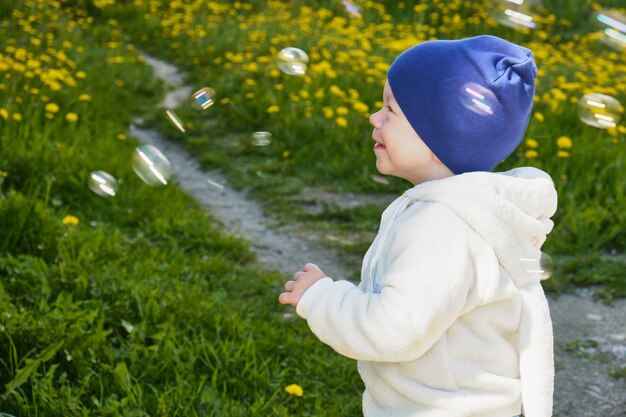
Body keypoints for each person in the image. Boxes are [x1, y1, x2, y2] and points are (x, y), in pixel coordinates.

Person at [278, 35, 557, 417]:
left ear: (435, 136)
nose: (374, 118)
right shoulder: (462, 210)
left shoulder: (441, 227)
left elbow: (391, 330)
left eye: (390, 109)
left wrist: (321, 298)